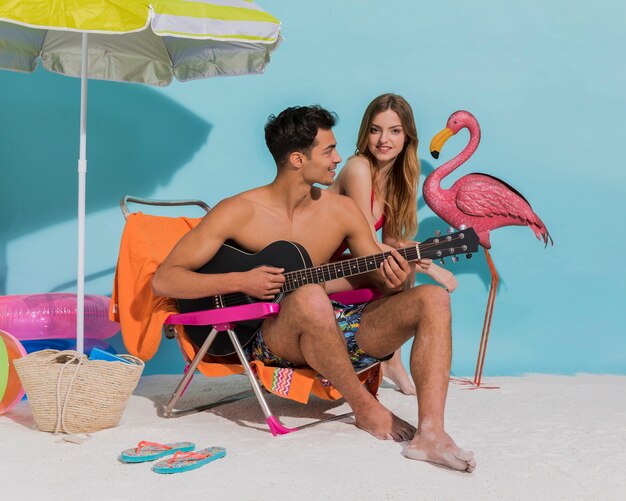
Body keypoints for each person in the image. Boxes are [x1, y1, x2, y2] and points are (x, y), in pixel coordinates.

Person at [152, 105, 476, 472]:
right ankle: (365, 408)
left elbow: (379, 278)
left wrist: (399, 274)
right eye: (328, 151)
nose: (339, 158)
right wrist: (241, 281)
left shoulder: (341, 211)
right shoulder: (239, 210)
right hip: (268, 336)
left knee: (432, 297)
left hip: (331, 326)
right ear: (296, 159)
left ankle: (432, 434)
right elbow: (165, 278)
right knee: (309, 296)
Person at [329, 94, 458, 395]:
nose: (383, 139)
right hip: (317, 269)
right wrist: (429, 270)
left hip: (349, 263)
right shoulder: (358, 167)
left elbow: (389, 241)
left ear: (407, 136)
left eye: (394, 131)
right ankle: (390, 359)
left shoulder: (397, 178)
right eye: (375, 130)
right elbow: (367, 247)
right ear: (365, 133)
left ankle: (392, 360)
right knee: (402, 270)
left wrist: (426, 253)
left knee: (402, 267)